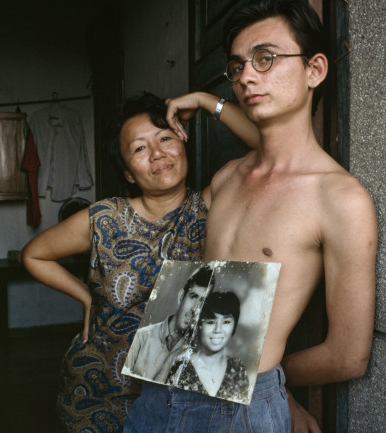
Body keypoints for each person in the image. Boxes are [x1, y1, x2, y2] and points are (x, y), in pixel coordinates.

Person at [124, 1, 378, 432]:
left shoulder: (339, 199)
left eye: (266, 58)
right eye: (238, 65)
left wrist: (274, 387)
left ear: (314, 70)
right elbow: (268, 152)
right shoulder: (227, 178)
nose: (246, 75)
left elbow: (348, 355)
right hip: (158, 388)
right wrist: (207, 101)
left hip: (234, 411)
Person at [20, 92, 257, 432]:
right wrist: (85, 296)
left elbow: (270, 146)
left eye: (165, 138)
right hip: (97, 386)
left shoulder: (210, 206)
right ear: (129, 173)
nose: (158, 153)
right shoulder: (104, 217)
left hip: (176, 393)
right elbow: (34, 254)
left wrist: (207, 103)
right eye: (139, 148)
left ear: (183, 142)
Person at [123, 265, 214, 380]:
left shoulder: (197, 355)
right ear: (181, 297)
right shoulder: (141, 338)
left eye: (202, 302)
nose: (195, 308)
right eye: (193, 297)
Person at [165, 291, 250, 403]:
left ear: (234, 326)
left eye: (226, 322)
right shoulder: (180, 367)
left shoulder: (238, 369)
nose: (218, 330)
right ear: (200, 326)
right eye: (210, 322)